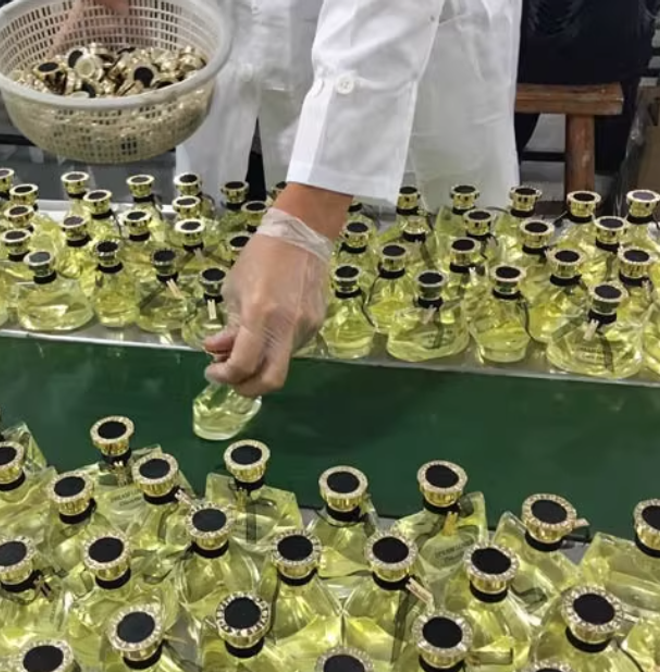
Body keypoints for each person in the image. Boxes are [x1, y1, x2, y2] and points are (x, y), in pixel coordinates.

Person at [62, 0, 522, 397]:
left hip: (396, 60)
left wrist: (310, 214)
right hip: (229, 49)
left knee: (431, 312)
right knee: (220, 263)